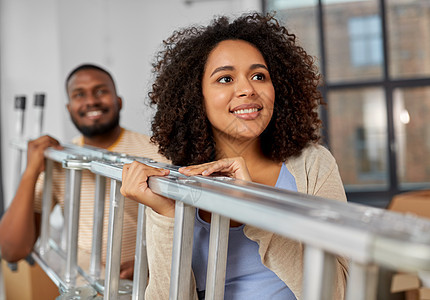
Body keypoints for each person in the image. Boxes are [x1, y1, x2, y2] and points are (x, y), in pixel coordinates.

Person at [120, 12, 349, 299]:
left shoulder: (313, 165)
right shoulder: (173, 182)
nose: (247, 89)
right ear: (195, 95)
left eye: (259, 76)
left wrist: (254, 208)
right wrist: (166, 216)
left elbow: (338, 293)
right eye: (225, 78)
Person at [0, 64, 168, 279]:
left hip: (143, 286)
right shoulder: (61, 159)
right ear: (69, 108)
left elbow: (190, 230)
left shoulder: (156, 153)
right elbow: (11, 251)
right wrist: (31, 171)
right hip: (84, 284)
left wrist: (151, 263)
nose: (91, 101)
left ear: (119, 101)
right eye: (80, 94)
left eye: (101, 91)